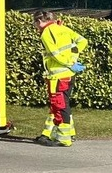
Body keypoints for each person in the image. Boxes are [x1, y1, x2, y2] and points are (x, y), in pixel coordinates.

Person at [34, 10, 87, 147]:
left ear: (39, 21)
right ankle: (68, 134)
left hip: (58, 76)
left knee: (59, 105)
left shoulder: (46, 33)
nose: (35, 26)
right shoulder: (61, 28)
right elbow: (82, 41)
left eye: (35, 23)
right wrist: (73, 58)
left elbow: (54, 54)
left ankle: (63, 139)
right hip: (68, 74)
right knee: (63, 105)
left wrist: (70, 62)